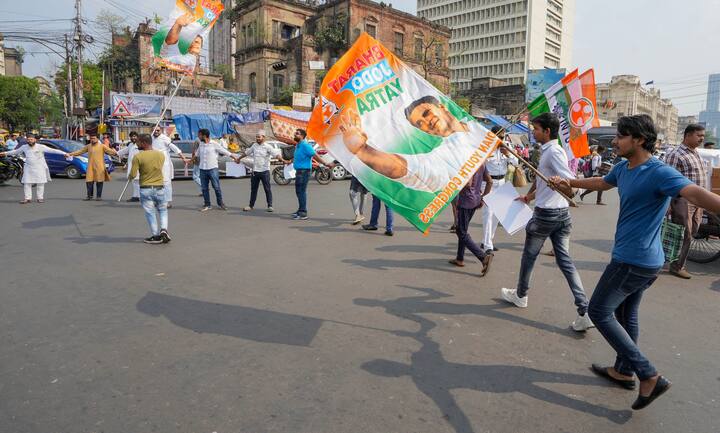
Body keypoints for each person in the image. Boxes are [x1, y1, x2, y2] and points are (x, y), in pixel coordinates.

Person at [549, 114, 720, 410]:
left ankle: (648, 373)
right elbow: (602, 182)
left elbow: (695, 193)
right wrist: (568, 181)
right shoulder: (624, 167)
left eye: (620, 136)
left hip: (634, 260)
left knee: (599, 312)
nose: (614, 141)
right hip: (642, 259)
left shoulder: (658, 172)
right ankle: (624, 370)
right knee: (627, 315)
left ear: (639, 140)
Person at [500, 113, 593, 332]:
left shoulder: (554, 152)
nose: (533, 132)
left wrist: (563, 185)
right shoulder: (548, 152)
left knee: (529, 258)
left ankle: (521, 295)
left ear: (547, 131)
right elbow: (542, 180)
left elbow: (571, 182)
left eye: (536, 129)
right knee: (565, 262)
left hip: (547, 216)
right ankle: (584, 310)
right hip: (558, 215)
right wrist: (528, 197)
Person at [338, 96, 491, 193]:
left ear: (442, 107)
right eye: (420, 124)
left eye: (426, 113)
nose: (427, 122)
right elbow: (405, 168)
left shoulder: (480, 129)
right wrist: (363, 150)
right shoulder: (442, 158)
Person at [664, 124, 707, 279]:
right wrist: (668, 203)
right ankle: (677, 266)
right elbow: (667, 179)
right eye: (699, 135)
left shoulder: (696, 153)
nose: (702, 139)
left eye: (703, 136)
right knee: (685, 234)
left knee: (693, 231)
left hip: (698, 201)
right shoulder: (676, 154)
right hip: (683, 200)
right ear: (687, 135)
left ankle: (670, 259)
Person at [448, 162, 494, 275]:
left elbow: (467, 184)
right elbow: (490, 181)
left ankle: (483, 257)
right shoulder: (481, 162)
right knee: (462, 229)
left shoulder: (468, 163)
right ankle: (460, 258)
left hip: (466, 201)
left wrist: (454, 182)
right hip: (475, 199)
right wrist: (483, 198)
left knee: (461, 232)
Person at [0, 133, 68, 203]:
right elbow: (15, 151)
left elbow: (53, 150)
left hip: (40, 167)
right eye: (28, 140)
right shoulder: (24, 147)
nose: (30, 141)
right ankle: (27, 198)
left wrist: (64, 153)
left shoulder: (41, 147)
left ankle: (40, 198)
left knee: (40, 183)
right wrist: (5, 153)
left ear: (35, 140)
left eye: (31, 139)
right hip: (28, 168)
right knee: (27, 183)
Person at [129, 133, 171, 244]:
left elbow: (133, 175)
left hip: (145, 188)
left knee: (150, 213)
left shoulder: (138, 157)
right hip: (160, 187)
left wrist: (129, 177)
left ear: (144, 143)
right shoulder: (160, 155)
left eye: (138, 142)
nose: (137, 144)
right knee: (163, 210)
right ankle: (164, 230)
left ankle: (155, 235)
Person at [481, 126, 518, 252]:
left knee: (498, 214)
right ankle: (487, 246)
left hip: (502, 182)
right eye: (498, 137)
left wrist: (508, 154)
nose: (501, 139)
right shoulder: (485, 147)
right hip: (488, 183)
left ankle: (488, 240)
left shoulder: (506, 146)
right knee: (488, 214)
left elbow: (517, 162)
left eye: (502, 137)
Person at [192, 128, 240, 212]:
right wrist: (189, 160)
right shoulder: (201, 144)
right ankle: (207, 204)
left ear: (204, 135)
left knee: (216, 187)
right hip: (202, 169)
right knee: (204, 188)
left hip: (212, 169)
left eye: (199, 135)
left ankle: (220, 203)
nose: (198, 136)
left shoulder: (214, 144)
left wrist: (235, 158)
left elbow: (225, 152)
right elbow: (196, 155)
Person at [288, 129, 332, 220]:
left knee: (301, 192)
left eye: (297, 134)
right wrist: (289, 161)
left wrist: (325, 163)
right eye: (295, 133)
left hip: (304, 172)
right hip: (299, 171)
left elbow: (314, 155)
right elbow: (296, 156)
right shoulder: (298, 145)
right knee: (298, 192)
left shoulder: (305, 145)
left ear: (303, 136)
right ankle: (300, 210)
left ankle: (303, 213)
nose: (295, 135)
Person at [67, 132, 118, 200]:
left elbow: (111, 151)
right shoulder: (88, 146)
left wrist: (117, 153)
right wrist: (70, 154)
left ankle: (98, 196)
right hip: (90, 167)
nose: (92, 140)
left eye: (94, 138)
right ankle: (89, 196)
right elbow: (80, 151)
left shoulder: (102, 146)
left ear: (97, 139)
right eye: (91, 138)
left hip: (99, 167)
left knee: (99, 182)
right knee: (89, 181)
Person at [241, 130, 280, 212]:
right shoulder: (254, 146)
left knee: (267, 189)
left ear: (263, 137)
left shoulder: (268, 146)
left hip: (265, 171)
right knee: (253, 190)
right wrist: (238, 158)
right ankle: (251, 206)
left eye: (259, 137)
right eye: (257, 137)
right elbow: (246, 153)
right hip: (255, 171)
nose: (257, 138)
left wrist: (283, 160)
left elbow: (275, 154)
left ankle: (270, 206)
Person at [152, 127, 189, 208]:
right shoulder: (151, 138)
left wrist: (183, 157)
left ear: (161, 131)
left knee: (166, 183)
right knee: (155, 184)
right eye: (155, 130)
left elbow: (175, 148)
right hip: (154, 164)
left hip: (165, 164)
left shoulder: (165, 138)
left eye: (158, 130)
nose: (156, 132)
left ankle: (167, 202)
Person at [116, 132, 141, 202]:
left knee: (137, 182)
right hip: (131, 166)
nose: (133, 138)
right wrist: (116, 153)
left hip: (138, 166)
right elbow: (125, 151)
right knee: (134, 182)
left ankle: (138, 196)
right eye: (132, 136)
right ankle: (136, 196)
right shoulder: (130, 145)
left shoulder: (140, 145)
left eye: (135, 136)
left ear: (137, 137)